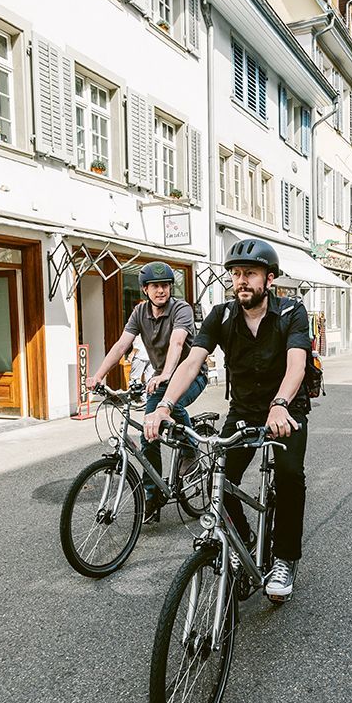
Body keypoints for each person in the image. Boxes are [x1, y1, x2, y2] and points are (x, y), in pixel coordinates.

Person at [144, 239, 310, 602]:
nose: (241, 281)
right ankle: (243, 540)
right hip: (244, 410)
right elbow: (192, 361)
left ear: (269, 279)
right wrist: (165, 405)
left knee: (289, 476)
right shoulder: (221, 315)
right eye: (236, 274)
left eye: (250, 273)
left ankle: (284, 558)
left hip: (286, 412)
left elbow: (296, 363)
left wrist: (280, 404)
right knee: (219, 477)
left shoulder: (291, 313)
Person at [86, 261, 206, 519]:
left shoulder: (181, 309)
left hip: (189, 375)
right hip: (161, 380)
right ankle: (153, 496)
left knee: (174, 407)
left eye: (165, 286)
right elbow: (121, 346)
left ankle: (190, 450)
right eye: (155, 286)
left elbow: (177, 342)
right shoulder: (139, 313)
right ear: (145, 290)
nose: (161, 291)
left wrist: (165, 373)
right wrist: (98, 375)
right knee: (149, 434)